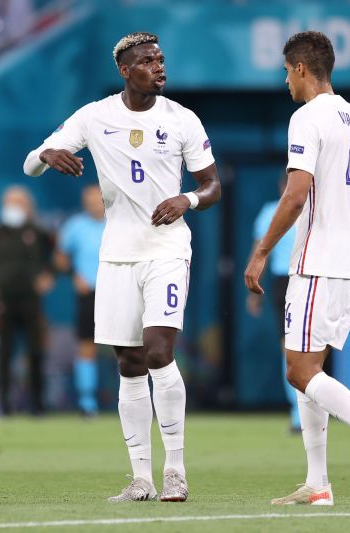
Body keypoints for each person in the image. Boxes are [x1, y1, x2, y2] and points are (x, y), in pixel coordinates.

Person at [23, 32, 221, 503]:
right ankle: (141, 479)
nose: (159, 66)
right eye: (148, 61)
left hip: (167, 250)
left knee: (157, 351)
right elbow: (31, 165)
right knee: (129, 364)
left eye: (161, 59)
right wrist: (46, 154)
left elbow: (212, 186)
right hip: (117, 255)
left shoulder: (181, 119)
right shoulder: (95, 116)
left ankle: (175, 469)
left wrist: (186, 198)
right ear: (125, 70)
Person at [245, 31, 350, 506]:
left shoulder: (306, 117)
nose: (285, 81)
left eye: (286, 71)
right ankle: (318, 483)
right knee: (312, 364)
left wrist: (261, 251)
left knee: (299, 372)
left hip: (317, 261)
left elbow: (296, 193)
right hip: (349, 263)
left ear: (301, 68)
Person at [0, 186, 55, 417]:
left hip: (31, 300)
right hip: (3, 301)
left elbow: (58, 256)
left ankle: (37, 406)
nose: (13, 208)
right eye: (9, 203)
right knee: (4, 355)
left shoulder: (38, 232)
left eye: (17, 203)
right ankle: (4, 407)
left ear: (27, 206)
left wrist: (50, 275)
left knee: (35, 352)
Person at [246, 174, 300, 432]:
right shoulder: (270, 211)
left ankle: (310, 409)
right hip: (284, 281)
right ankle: (297, 413)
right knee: (289, 347)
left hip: (310, 278)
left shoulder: (315, 208)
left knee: (312, 348)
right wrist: (252, 291)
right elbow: (260, 250)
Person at [56, 185, 106, 417]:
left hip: (119, 291)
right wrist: (75, 275)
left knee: (130, 345)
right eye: (90, 200)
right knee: (86, 345)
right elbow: (60, 257)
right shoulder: (76, 226)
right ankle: (88, 403)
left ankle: (137, 399)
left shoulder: (120, 222)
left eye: (98, 199)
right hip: (89, 293)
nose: (95, 204)